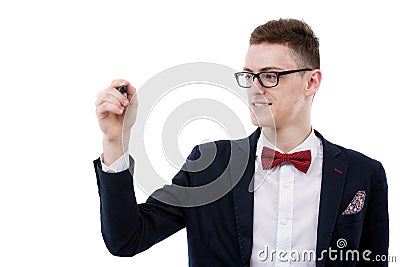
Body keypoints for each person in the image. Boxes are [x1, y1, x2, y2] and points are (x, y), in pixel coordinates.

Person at [94, 18, 389, 266]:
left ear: (311, 82)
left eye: (270, 76)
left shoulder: (364, 174)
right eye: (249, 76)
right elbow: (127, 239)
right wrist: (115, 141)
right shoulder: (209, 165)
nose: (255, 89)